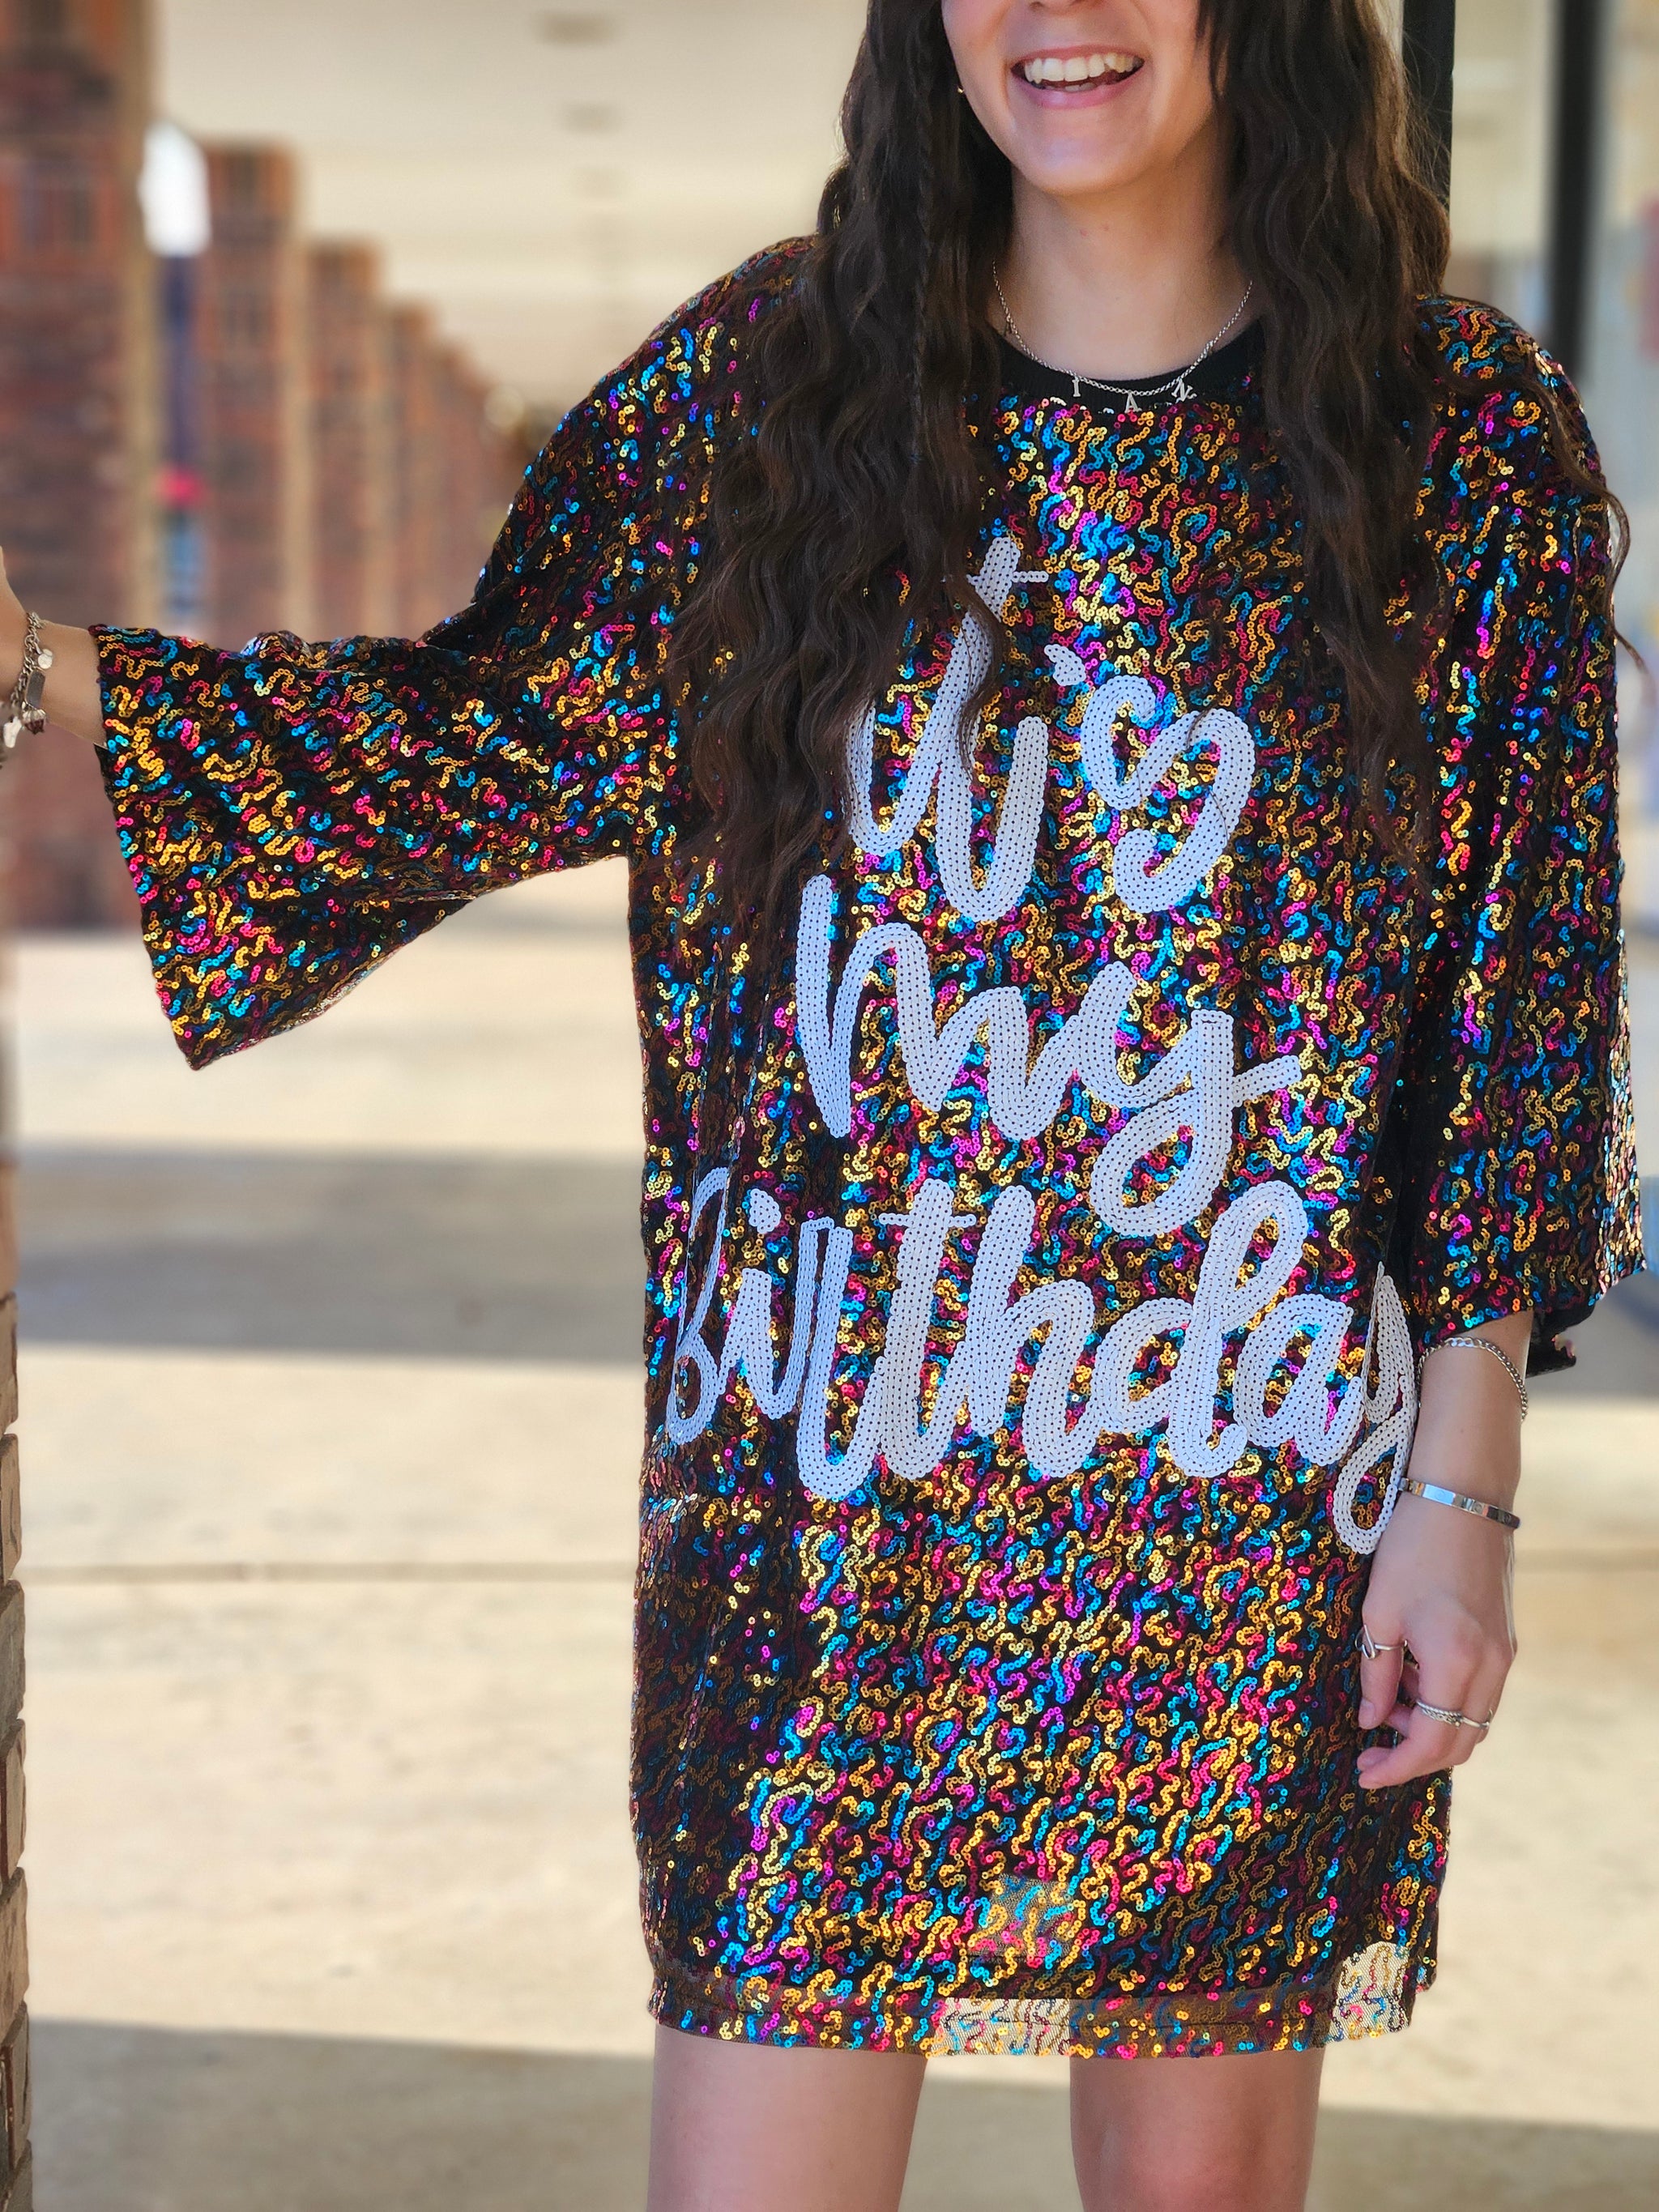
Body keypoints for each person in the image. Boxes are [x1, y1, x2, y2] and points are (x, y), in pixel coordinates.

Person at [2, 2, 1642, 2206]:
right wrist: (49, 671)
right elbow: (493, 734)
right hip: (819, 1516)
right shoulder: (772, 390)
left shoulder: (1453, 440)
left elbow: (1517, 1001)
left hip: (1251, 1504)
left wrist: (1465, 1491)